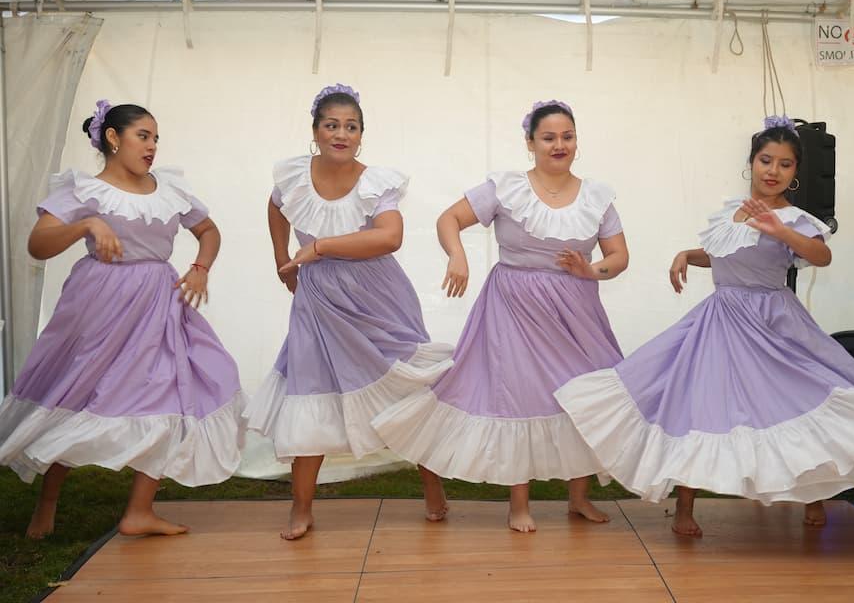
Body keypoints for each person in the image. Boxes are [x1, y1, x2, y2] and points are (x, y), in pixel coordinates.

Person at [554, 116, 854, 536]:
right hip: (721, 319)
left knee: (796, 403)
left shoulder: (797, 219)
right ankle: (685, 508)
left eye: (785, 164)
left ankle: (811, 495)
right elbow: (728, 254)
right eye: (767, 160)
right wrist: (687, 255)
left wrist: (781, 230)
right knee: (696, 404)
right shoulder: (732, 211)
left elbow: (821, 257)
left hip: (773, 322)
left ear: (795, 173)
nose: (773, 170)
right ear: (752, 163)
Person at [373, 100, 629, 532]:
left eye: (567, 136)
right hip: (514, 303)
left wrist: (592, 269)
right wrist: (458, 257)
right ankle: (519, 502)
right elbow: (449, 219)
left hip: (576, 309)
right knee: (520, 395)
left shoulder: (597, 195)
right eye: (548, 137)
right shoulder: (505, 186)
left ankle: (579, 497)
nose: (559, 144)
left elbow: (619, 256)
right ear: (530, 142)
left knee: (585, 393)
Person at [0, 100, 244, 538]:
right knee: (81, 397)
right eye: (142, 136)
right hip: (101, 305)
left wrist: (200, 267)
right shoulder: (83, 191)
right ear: (113, 138)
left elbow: (208, 230)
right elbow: (38, 245)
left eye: (155, 139)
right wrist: (86, 225)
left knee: (172, 390)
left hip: (158, 302)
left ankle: (139, 511)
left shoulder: (168, 188)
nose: (151, 147)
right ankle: (47, 502)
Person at [243, 84, 454, 540]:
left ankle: (432, 487)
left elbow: (388, 237)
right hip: (318, 300)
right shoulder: (294, 176)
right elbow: (276, 206)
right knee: (311, 388)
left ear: (361, 135)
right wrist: (283, 258)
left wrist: (318, 246)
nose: (341, 134)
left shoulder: (377, 182)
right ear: (315, 131)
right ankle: (301, 507)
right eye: (332, 125)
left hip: (377, 296)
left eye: (351, 127)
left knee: (403, 389)